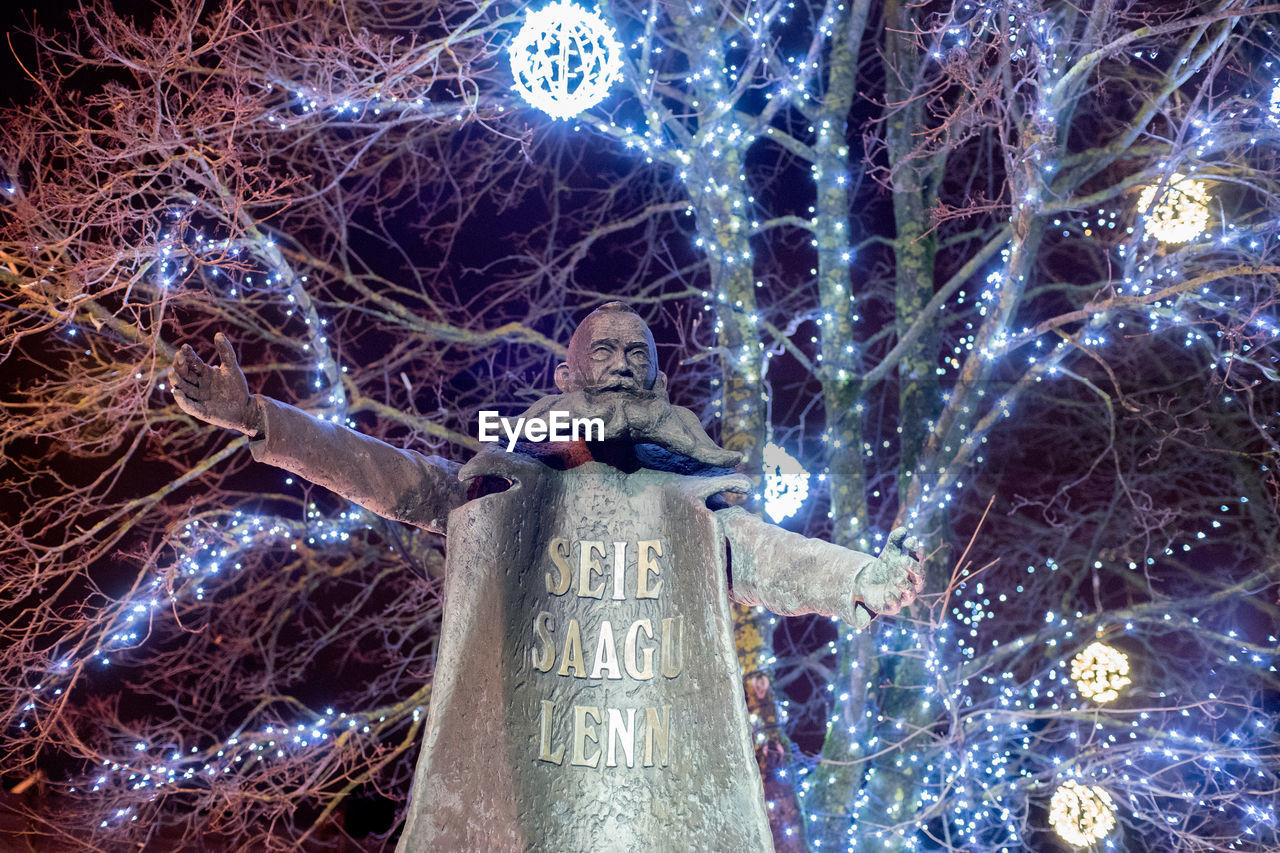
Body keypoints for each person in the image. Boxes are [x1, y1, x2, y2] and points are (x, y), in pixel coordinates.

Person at [172, 302, 923, 851]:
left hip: (656, 800)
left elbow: (771, 554)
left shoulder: (691, 501)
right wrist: (261, 419)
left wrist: (864, 578)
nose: (624, 363)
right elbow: (394, 477)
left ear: (660, 388)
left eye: (638, 354)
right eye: (607, 351)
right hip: (522, 796)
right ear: (565, 374)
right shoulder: (510, 488)